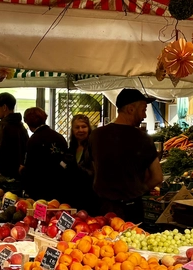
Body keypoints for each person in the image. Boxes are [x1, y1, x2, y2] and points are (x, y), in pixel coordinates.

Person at [89, 89, 163, 222]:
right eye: (143, 109)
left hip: (101, 207)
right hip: (131, 209)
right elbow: (157, 177)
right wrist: (141, 189)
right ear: (130, 109)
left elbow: (94, 168)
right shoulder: (142, 138)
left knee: (101, 241)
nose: (144, 115)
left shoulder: (96, 135)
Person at [20, 107, 68, 202]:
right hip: (60, 186)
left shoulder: (33, 140)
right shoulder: (59, 137)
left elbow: (30, 168)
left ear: (27, 122)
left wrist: (22, 170)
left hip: (40, 189)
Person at [0, 92, 28, 178]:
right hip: (19, 174)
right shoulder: (20, 125)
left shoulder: (3, 126)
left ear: (4, 107)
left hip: (5, 174)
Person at [67, 114, 99, 214]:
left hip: (89, 197)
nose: (80, 130)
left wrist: (76, 168)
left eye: (84, 127)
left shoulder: (93, 147)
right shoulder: (71, 148)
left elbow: (94, 173)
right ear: (72, 130)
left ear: (89, 128)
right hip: (73, 196)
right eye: (77, 127)